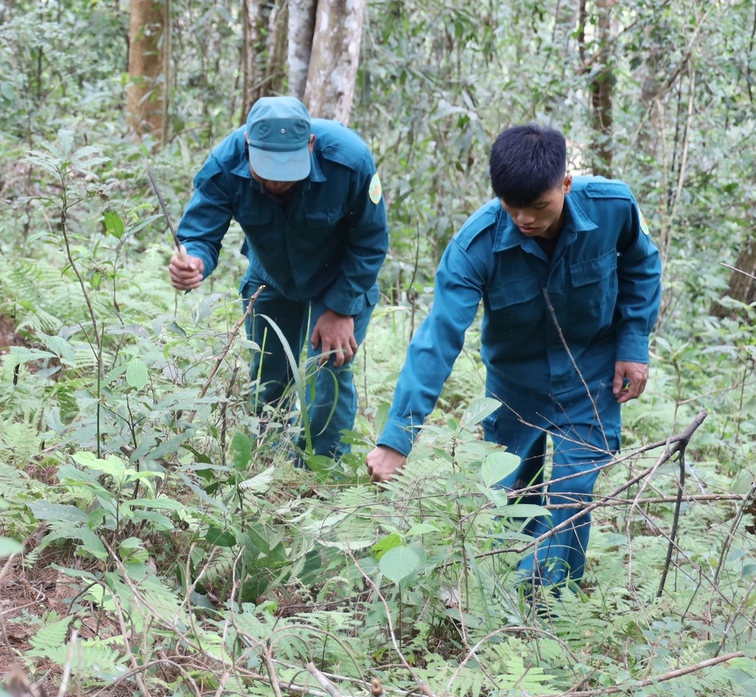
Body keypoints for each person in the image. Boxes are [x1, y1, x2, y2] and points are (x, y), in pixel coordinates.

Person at [367, 124, 662, 591]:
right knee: (512, 497)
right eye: (512, 206)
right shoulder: (475, 246)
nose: (524, 218)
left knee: (572, 490)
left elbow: (642, 264)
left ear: (565, 184)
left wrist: (633, 345)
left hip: (591, 377)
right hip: (514, 386)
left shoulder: (613, 208)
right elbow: (438, 339)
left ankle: (543, 603)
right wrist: (397, 438)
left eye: (539, 206)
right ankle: (508, 588)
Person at [170, 96, 388, 461]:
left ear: (311, 145)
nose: (275, 181)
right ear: (248, 147)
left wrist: (339, 309)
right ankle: (267, 462)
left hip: (340, 278)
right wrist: (192, 261)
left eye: (288, 168)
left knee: (328, 371)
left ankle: (323, 469)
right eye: (266, 168)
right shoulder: (225, 163)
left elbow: (370, 242)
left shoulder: (349, 159)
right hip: (271, 272)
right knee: (269, 374)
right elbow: (201, 235)